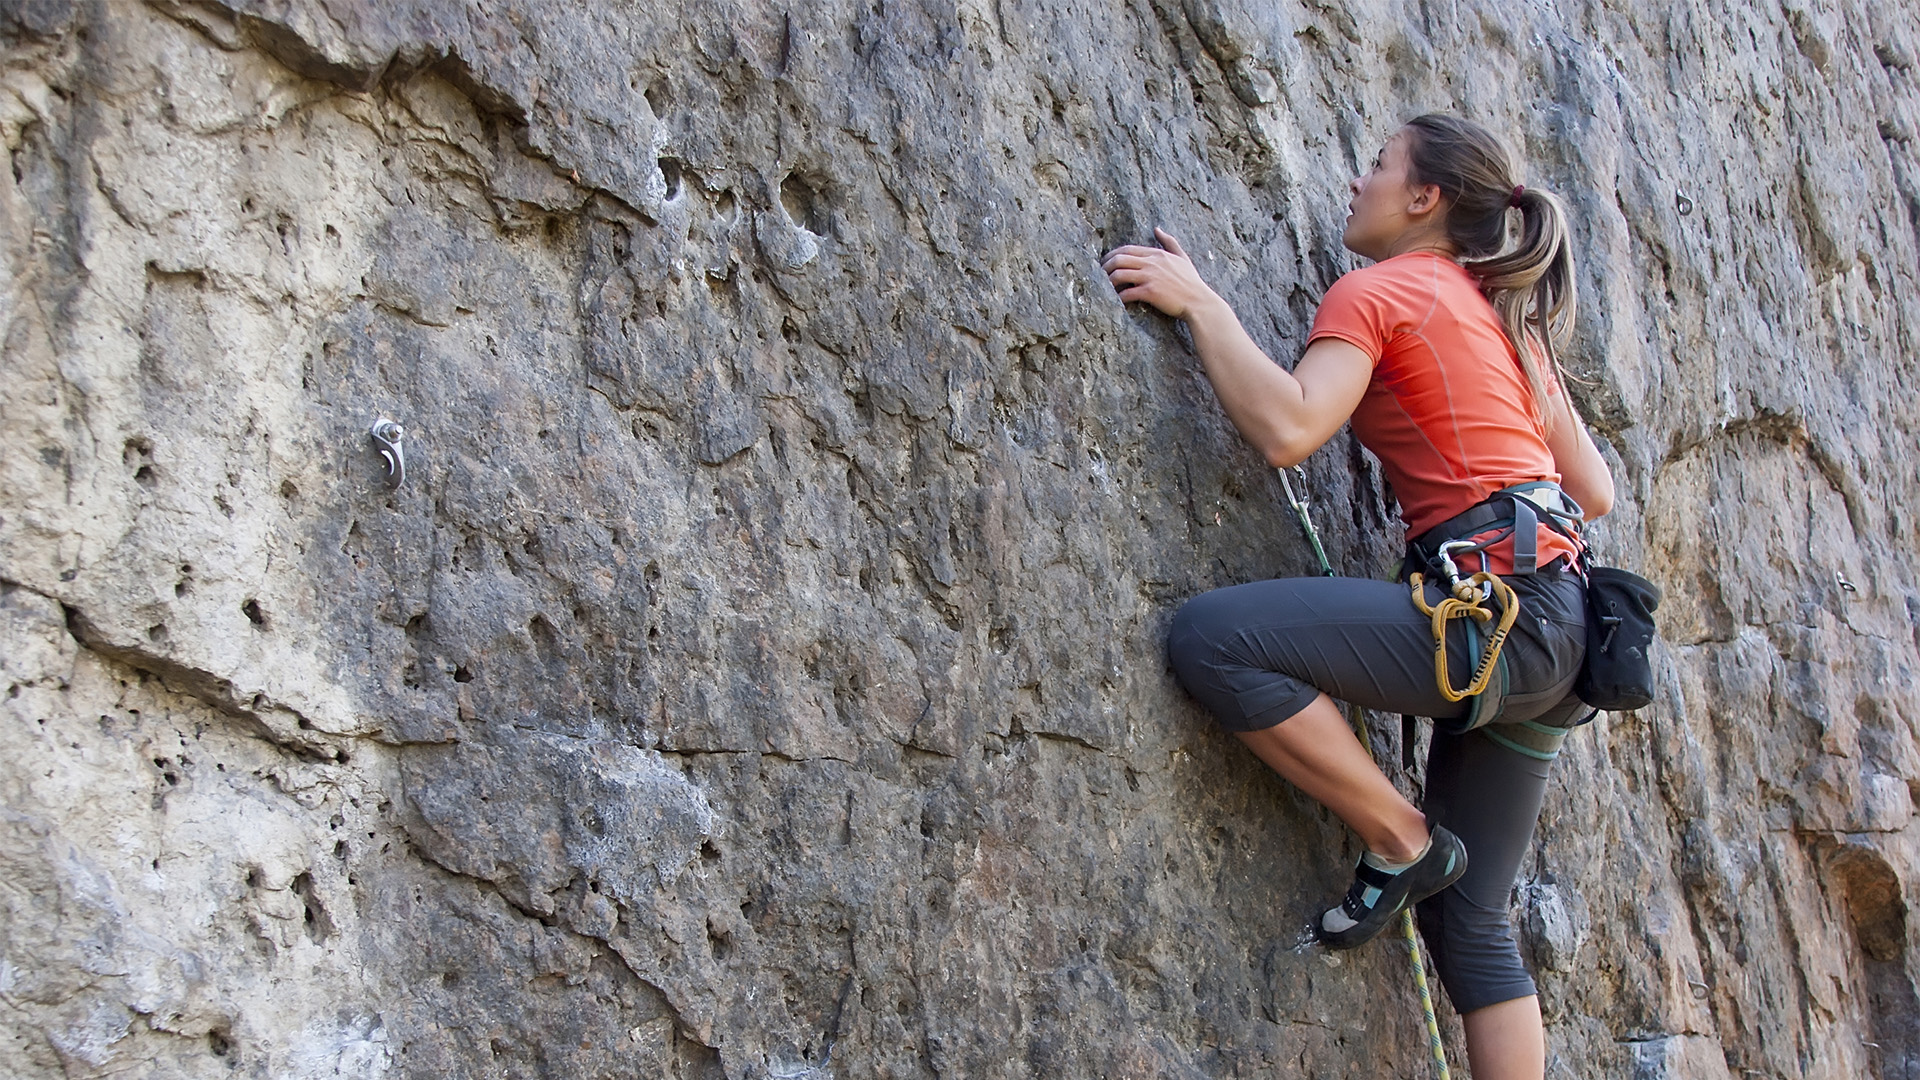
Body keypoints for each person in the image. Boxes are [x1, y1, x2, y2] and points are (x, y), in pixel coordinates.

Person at [1101, 113, 1616, 1080]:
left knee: (1215, 641)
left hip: (1496, 619)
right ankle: (1416, 856)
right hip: (1568, 636)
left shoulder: (1382, 291)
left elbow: (1291, 426)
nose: (1356, 181)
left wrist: (1204, 305)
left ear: (1424, 199)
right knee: (1473, 926)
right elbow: (1595, 492)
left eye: (1377, 166)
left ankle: (1399, 835)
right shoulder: (1504, 317)